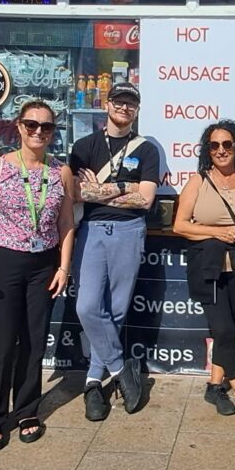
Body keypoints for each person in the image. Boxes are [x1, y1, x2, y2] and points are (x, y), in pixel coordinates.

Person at [0, 101, 75, 451]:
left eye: (46, 126)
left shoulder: (61, 172)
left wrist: (63, 267)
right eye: (32, 124)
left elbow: (66, 223)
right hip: (2, 260)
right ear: (19, 127)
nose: (39, 131)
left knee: (34, 339)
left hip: (43, 263)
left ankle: (27, 409)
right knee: (1, 342)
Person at [70, 81, 157, 421]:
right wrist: (125, 188)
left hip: (129, 231)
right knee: (88, 306)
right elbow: (77, 194)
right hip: (91, 232)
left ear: (137, 109)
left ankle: (93, 383)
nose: (124, 108)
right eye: (119, 102)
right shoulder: (84, 146)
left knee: (116, 310)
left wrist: (104, 188)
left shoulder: (147, 149)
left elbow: (145, 199)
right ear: (107, 105)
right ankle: (121, 370)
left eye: (130, 103)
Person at [174, 120, 235, 427]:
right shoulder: (198, 181)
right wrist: (217, 232)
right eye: (214, 146)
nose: (221, 151)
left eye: (227, 144)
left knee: (228, 328)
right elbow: (180, 225)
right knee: (225, 330)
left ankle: (215, 387)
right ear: (207, 150)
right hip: (209, 266)